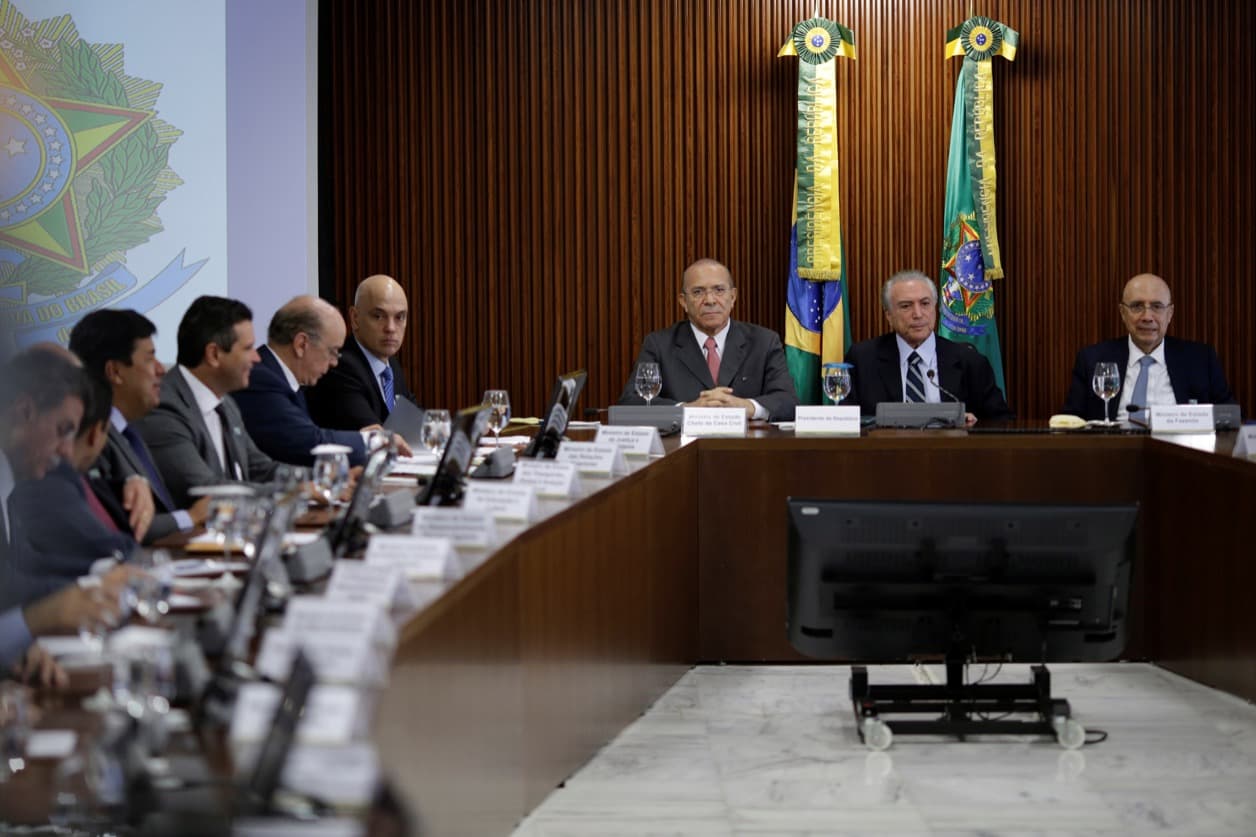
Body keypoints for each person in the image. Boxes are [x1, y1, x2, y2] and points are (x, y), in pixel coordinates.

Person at [68, 309, 210, 543]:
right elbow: (122, 526)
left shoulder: (129, 433)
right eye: (149, 358)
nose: (161, 369)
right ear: (115, 372)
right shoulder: (91, 441)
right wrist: (192, 516)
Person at [131, 296, 280, 508]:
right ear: (214, 354)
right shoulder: (164, 407)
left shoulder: (225, 403)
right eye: (248, 348)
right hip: (190, 537)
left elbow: (260, 468)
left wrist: (314, 479)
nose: (257, 358)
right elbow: (203, 488)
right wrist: (294, 490)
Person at [234, 296, 409, 467]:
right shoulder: (260, 378)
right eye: (332, 351)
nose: (334, 362)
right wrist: (375, 441)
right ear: (301, 344)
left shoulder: (287, 382)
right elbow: (307, 442)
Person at [616, 258, 798, 421]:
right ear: (683, 302)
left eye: (719, 290)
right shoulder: (659, 345)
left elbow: (788, 401)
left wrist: (747, 407)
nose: (710, 300)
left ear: (733, 297)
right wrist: (687, 410)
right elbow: (630, 403)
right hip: (682, 452)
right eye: (698, 292)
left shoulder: (764, 342)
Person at [9, 373, 137, 579]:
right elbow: (109, 549)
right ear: (97, 433)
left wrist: (135, 481)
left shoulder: (77, 474)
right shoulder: (44, 481)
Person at [842, 270, 1013, 424]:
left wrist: (975, 426)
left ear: (935, 308)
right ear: (889, 315)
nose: (918, 314)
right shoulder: (863, 359)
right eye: (906, 306)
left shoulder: (970, 361)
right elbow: (846, 421)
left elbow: (1002, 422)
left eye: (925, 304)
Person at [1062, 273, 1235, 421]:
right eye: (1137, 306)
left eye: (1157, 306)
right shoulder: (1092, 359)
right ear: (1123, 313)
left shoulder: (1200, 359)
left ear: (1170, 313)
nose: (1147, 316)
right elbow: (1071, 421)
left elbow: (1230, 416)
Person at [0, 348, 89, 609]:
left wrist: (104, 576)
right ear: (25, 411)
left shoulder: (13, 477)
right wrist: (93, 591)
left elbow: (29, 564)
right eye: (63, 430)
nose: (67, 451)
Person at [306, 275, 416, 430]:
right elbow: (375, 437)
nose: (391, 328)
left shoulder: (390, 366)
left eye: (399, 317)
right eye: (378, 316)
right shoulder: (341, 366)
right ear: (355, 318)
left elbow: (414, 422)